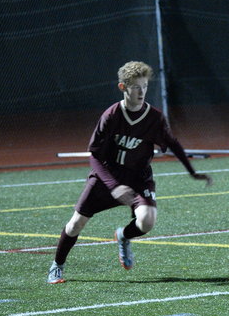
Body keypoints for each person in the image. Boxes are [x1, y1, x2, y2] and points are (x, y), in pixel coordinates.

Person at [47, 61, 212, 284]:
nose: (141, 91)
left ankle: (123, 236)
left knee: (147, 221)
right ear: (122, 87)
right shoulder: (111, 115)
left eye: (145, 86)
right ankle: (57, 265)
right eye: (135, 87)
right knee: (76, 223)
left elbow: (173, 144)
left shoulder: (154, 117)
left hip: (138, 179)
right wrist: (113, 186)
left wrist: (193, 172)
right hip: (107, 177)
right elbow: (94, 156)